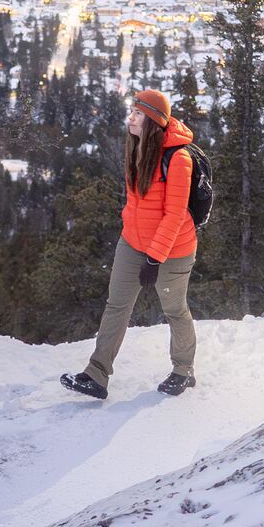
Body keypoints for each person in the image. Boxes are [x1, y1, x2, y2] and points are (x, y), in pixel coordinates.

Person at [61, 89, 200, 399]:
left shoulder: (179, 158)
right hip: (133, 243)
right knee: (117, 305)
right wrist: (132, 234)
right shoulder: (136, 148)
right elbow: (137, 202)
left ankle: (183, 370)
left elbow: (175, 214)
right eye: (132, 111)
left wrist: (154, 257)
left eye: (138, 114)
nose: (131, 117)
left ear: (152, 121)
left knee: (174, 309)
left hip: (173, 250)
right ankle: (95, 375)